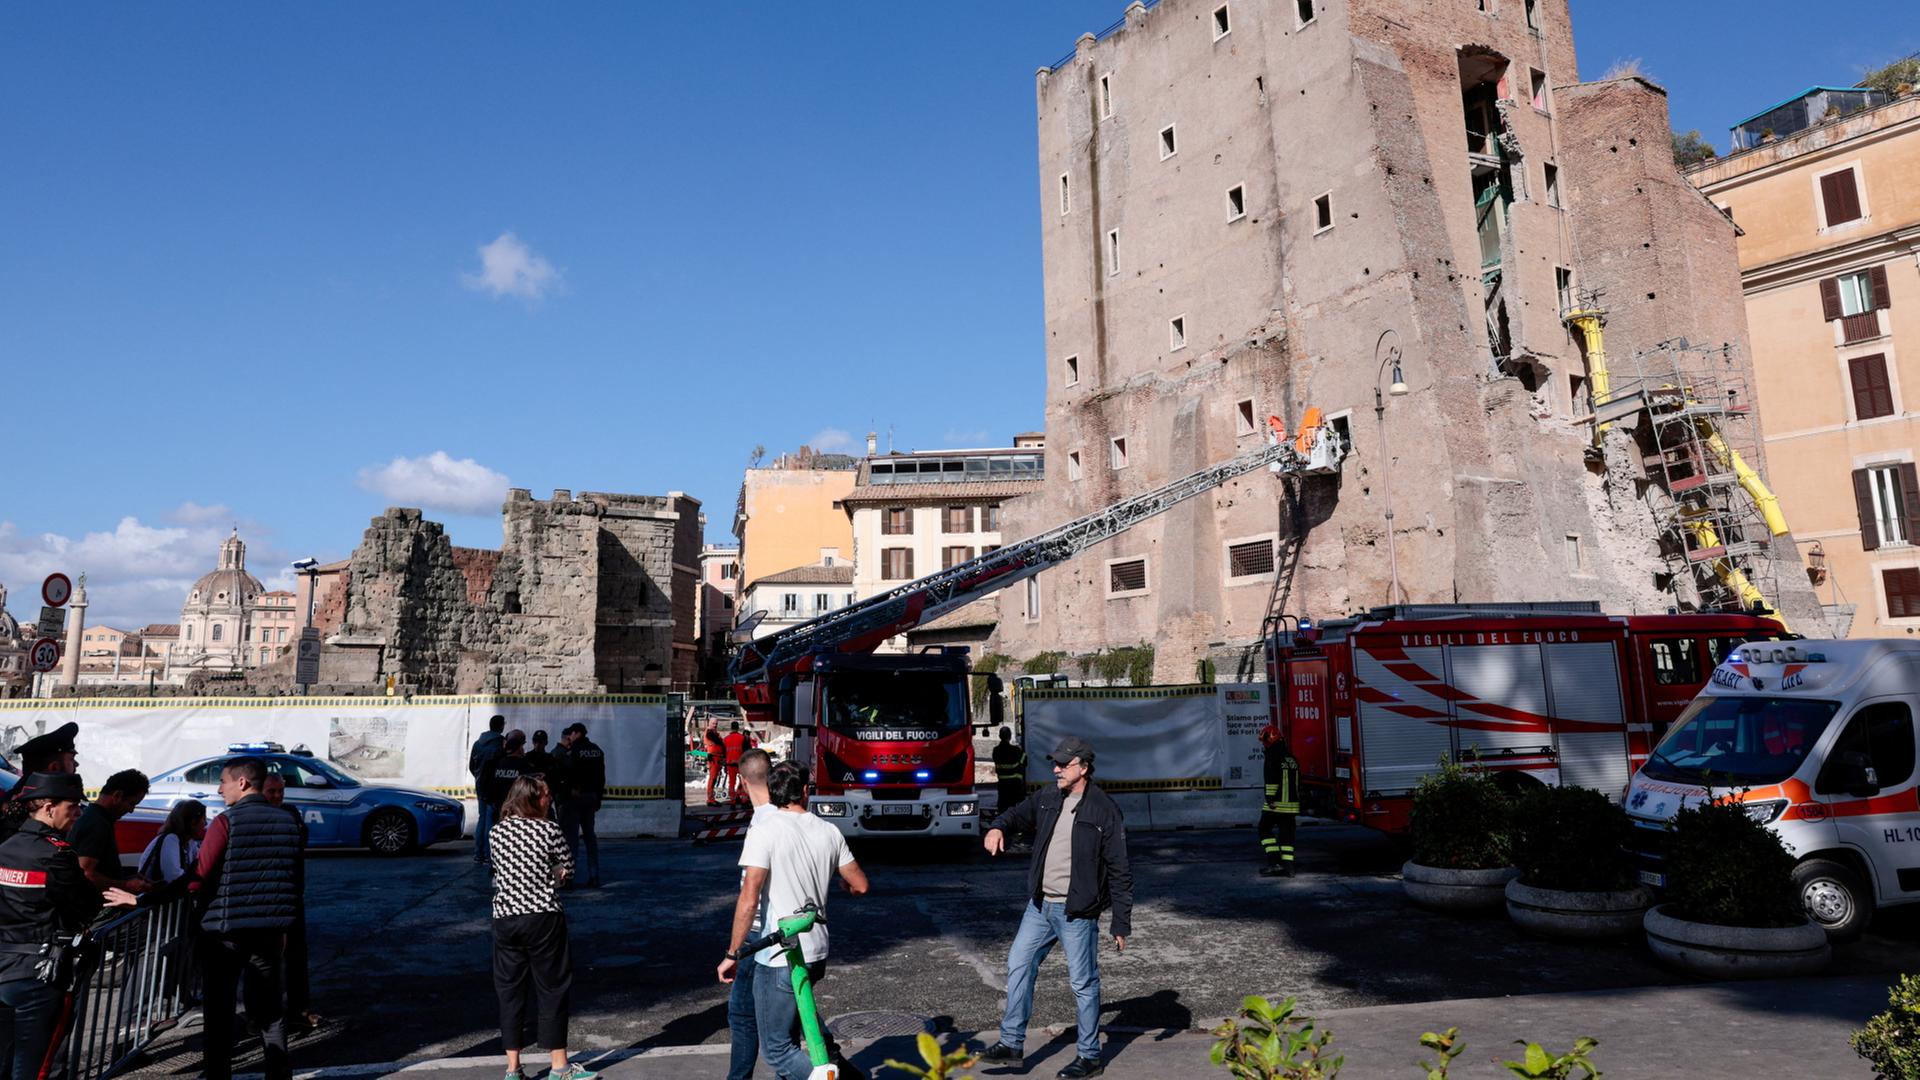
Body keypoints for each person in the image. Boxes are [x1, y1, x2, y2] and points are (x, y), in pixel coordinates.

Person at [978, 736, 1132, 1080]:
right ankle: (1011, 1044)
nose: (1056, 769)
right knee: (1018, 964)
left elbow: (1120, 869)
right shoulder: (1048, 797)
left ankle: (1090, 1057)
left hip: (1077, 912)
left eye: (1064, 764)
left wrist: (1121, 922)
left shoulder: (1103, 809)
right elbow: (1015, 814)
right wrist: (997, 827)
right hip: (1040, 906)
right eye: (1056, 763)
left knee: (1083, 984)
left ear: (1084, 768)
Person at [719, 761, 869, 1080]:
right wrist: (842, 886)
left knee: (777, 1049)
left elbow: (749, 897)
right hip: (816, 952)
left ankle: (826, 1077)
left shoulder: (765, 830)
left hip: (779, 956)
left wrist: (733, 954)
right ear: (804, 791)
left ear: (772, 792)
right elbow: (860, 885)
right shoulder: (828, 831)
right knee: (790, 1037)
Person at [0, 773, 136, 1077]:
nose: (77, 813)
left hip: (6, 965)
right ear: (49, 808)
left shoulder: (6, 849)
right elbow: (84, 906)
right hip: (39, 974)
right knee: (35, 1068)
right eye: (72, 806)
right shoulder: (55, 854)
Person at [191, 756, 301, 1080]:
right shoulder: (288, 821)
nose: (219, 789)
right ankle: (279, 1074)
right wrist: (286, 927)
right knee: (271, 1011)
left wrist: (147, 895)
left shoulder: (225, 822)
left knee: (219, 1011)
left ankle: (218, 1075)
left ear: (241, 783)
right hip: (270, 931)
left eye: (222, 782)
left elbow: (198, 876)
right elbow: (295, 881)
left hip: (225, 933)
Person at [488, 774, 598, 1080]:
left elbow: (498, 870)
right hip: (542, 915)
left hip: (505, 917)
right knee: (552, 988)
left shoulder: (496, 832)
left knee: (509, 991)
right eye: (546, 795)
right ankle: (559, 1067)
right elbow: (568, 868)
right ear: (533, 799)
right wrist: (552, 873)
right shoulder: (549, 829)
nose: (550, 799)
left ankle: (513, 1069)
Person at [723, 749, 775, 1080]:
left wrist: (733, 952)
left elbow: (749, 896)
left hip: (761, 935)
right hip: (786, 930)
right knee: (793, 1008)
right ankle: (836, 1061)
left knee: (742, 1014)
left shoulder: (762, 824)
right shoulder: (786, 815)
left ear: (742, 782)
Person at [261, 775, 322, 1034]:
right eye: (271, 791)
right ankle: (264, 1015)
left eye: (280, 791)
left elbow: (300, 843)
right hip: (265, 900)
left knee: (296, 956)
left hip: (292, 895)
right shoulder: (256, 815)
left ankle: (300, 1009)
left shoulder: (291, 812)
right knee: (265, 961)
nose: (277, 796)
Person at [68, 769, 152, 896]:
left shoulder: (95, 818)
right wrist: (126, 885)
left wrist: (128, 878)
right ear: (117, 795)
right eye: (131, 803)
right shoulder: (97, 824)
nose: (131, 810)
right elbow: (85, 874)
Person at [557, 724, 604, 889]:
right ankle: (594, 875)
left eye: (571, 733)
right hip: (591, 796)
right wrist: (598, 797)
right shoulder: (596, 750)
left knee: (571, 840)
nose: (569, 737)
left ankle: (568, 877)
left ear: (577, 733)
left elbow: (568, 774)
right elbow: (601, 776)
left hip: (575, 798)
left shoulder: (573, 751)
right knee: (590, 836)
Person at [1257, 725, 1301, 878]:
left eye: (1265, 741)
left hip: (1276, 804)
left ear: (1271, 739)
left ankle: (1274, 862)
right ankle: (1288, 867)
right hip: (1292, 805)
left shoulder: (1272, 756)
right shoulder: (1291, 758)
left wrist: (1270, 799)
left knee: (1263, 829)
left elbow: (1270, 780)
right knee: (1287, 835)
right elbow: (1298, 782)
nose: (1264, 745)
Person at [482, 730, 530, 869]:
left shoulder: (497, 764)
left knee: (498, 837)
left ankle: (494, 863)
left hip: (499, 807)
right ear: (518, 749)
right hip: (516, 810)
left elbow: (490, 783)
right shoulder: (523, 765)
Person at [137, 799, 208, 889]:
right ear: (193, 822)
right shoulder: (170, 840)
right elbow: (173, 877)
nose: (206, 824)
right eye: (203, 819)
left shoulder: (189, 843)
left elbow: (200, 862)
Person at [470, 715, 508, 866]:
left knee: (482, 818)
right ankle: (488, 853)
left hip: (480, 785)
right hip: (494, 787)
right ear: (501, 726)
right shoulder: (501, 743)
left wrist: (479, 778)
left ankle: (478, 853)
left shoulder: (478, 743)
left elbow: (472, 766)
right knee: (491, 820)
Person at [524, 731, 572, 809]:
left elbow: (555, 778)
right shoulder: (527, 757)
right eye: (535, 742)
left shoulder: (550, 759)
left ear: (545, 743)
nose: (537, 745)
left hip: (545, 796)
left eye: (540, 742)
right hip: (530, 795)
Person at [991, 727, 1027, 821]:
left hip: (1002, 783)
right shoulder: (1015, 750)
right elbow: (1024, 761)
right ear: (1010, 736)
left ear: (999, 736)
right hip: (1015, 784)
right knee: (1016, 807)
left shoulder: (996, 750)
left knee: (1003, 806)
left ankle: (1002, 823)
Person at [722, 723, 749, 806]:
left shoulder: (725, 739)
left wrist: (725, 765)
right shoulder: (742, 738)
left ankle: (732, 801)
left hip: (730, 764)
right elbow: (746, 751)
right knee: (744, 782)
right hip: (740, 764)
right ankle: (744, 800)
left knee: (731, 783)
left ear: (731, 728)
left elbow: (724, 753)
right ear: (738, 728)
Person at [704, 726, 727, 806]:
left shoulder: (715, 736)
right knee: (713, 779)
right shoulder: (710, 735)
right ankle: (710, 799)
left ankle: (711, 799)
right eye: (713, 724)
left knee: (714, 779)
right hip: (714, 759)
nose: (715, 725)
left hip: (717, 759)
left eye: (716, 724)